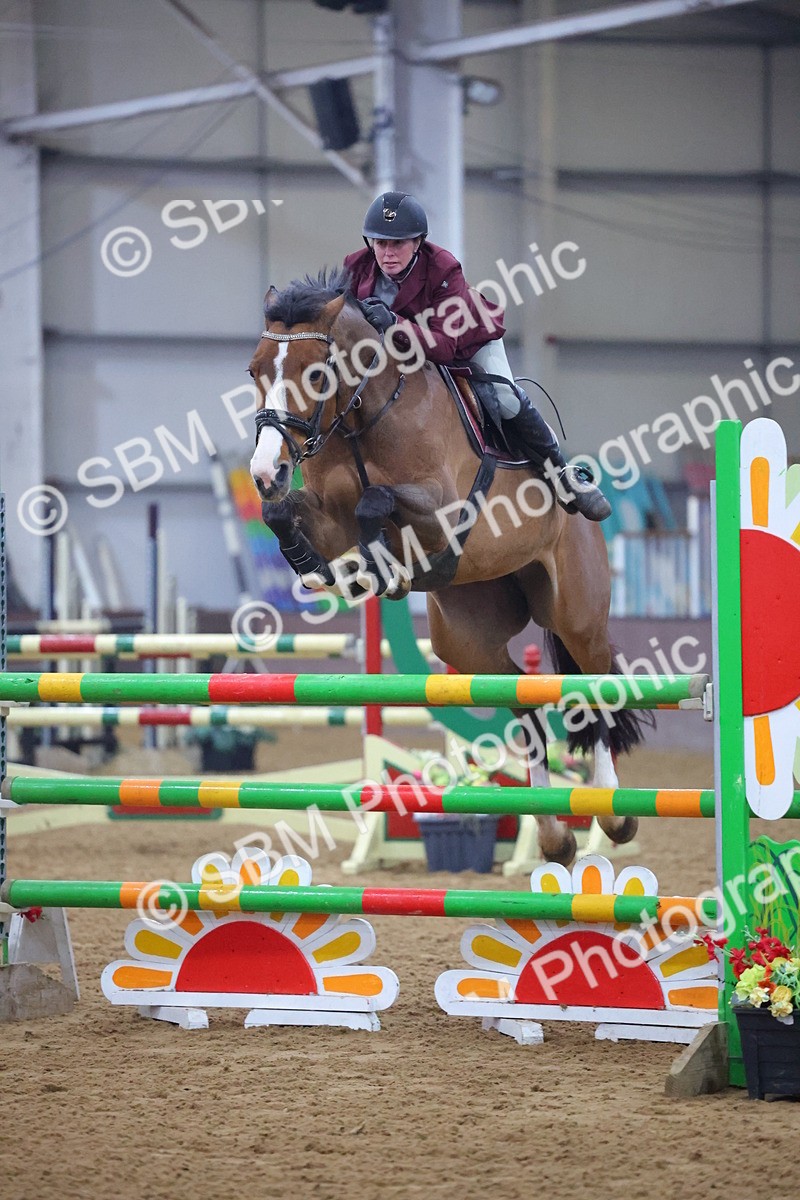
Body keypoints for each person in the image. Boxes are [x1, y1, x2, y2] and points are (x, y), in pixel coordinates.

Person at [343, 191, 611, 522]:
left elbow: (444, 347)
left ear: (417, 243)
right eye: (380, 243)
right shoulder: (356, 267)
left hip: (467, 343)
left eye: (397, 243)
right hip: (400, 352)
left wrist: (396, 324)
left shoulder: (443, 268)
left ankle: (561, 472)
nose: (387, 253)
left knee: (505, 398)